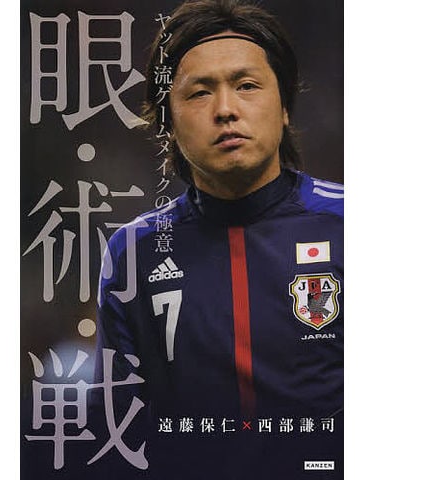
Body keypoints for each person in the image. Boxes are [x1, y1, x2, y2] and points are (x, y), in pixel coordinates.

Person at [93, 0, 343, 477]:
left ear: (284, 106)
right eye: (200, 93)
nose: (226, 110)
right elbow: (119, 432)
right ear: (167, 122)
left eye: (246, 86)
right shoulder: (133, 254)